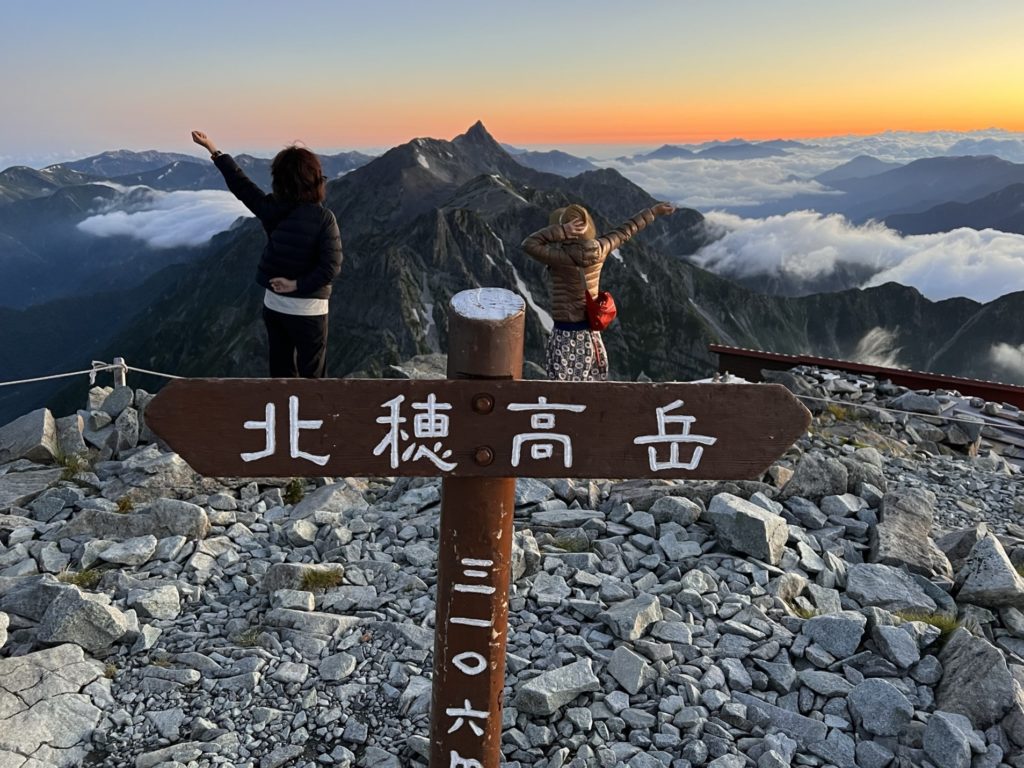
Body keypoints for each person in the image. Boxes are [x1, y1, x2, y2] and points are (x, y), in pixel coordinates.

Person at [191, 130, 343, 378]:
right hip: (309, 309)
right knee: (313, 376)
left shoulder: (270, 209)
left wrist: (213, 150)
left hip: (274, 304)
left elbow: (242, 186)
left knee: (281, 370)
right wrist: (296, 285)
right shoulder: (324, 219)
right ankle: (311, 405)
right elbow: (331, 268)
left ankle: (281, 404)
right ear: (315, 180)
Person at [522, 201, 675, 381]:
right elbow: (625, 231)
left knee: (562, 387)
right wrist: (653, 212)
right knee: (590, 385)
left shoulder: (559, 258)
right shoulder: (600, 249)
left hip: (565, 334)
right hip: (590, 336)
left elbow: (529, 244)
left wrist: (561, 231)